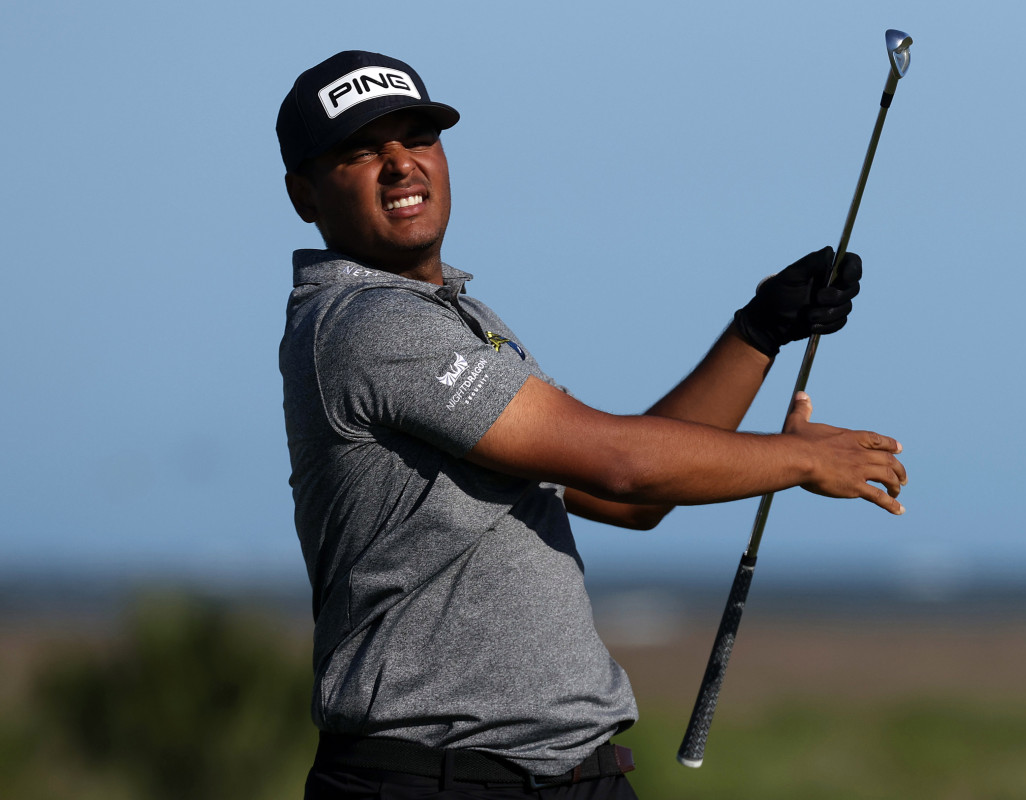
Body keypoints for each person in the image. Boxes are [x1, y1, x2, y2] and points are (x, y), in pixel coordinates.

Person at [277, 50, 906, 800]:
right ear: (304, 194)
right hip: (432, 777)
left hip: (574, 773)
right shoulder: (365, 324)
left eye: (418, 138)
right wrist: (796, 461)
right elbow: (618, 462)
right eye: (360, 151)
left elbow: (628, 501)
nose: (400, 165)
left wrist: (757, 333)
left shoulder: (464, 318)